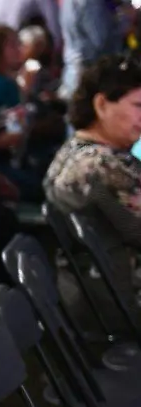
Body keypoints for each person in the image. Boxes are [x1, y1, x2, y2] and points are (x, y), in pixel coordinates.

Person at [45, 55, 141, 299]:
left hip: (94, 294)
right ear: (101, 105)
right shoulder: (102, 165)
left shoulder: (75, 150)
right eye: (138, 106)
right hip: (122, 298)